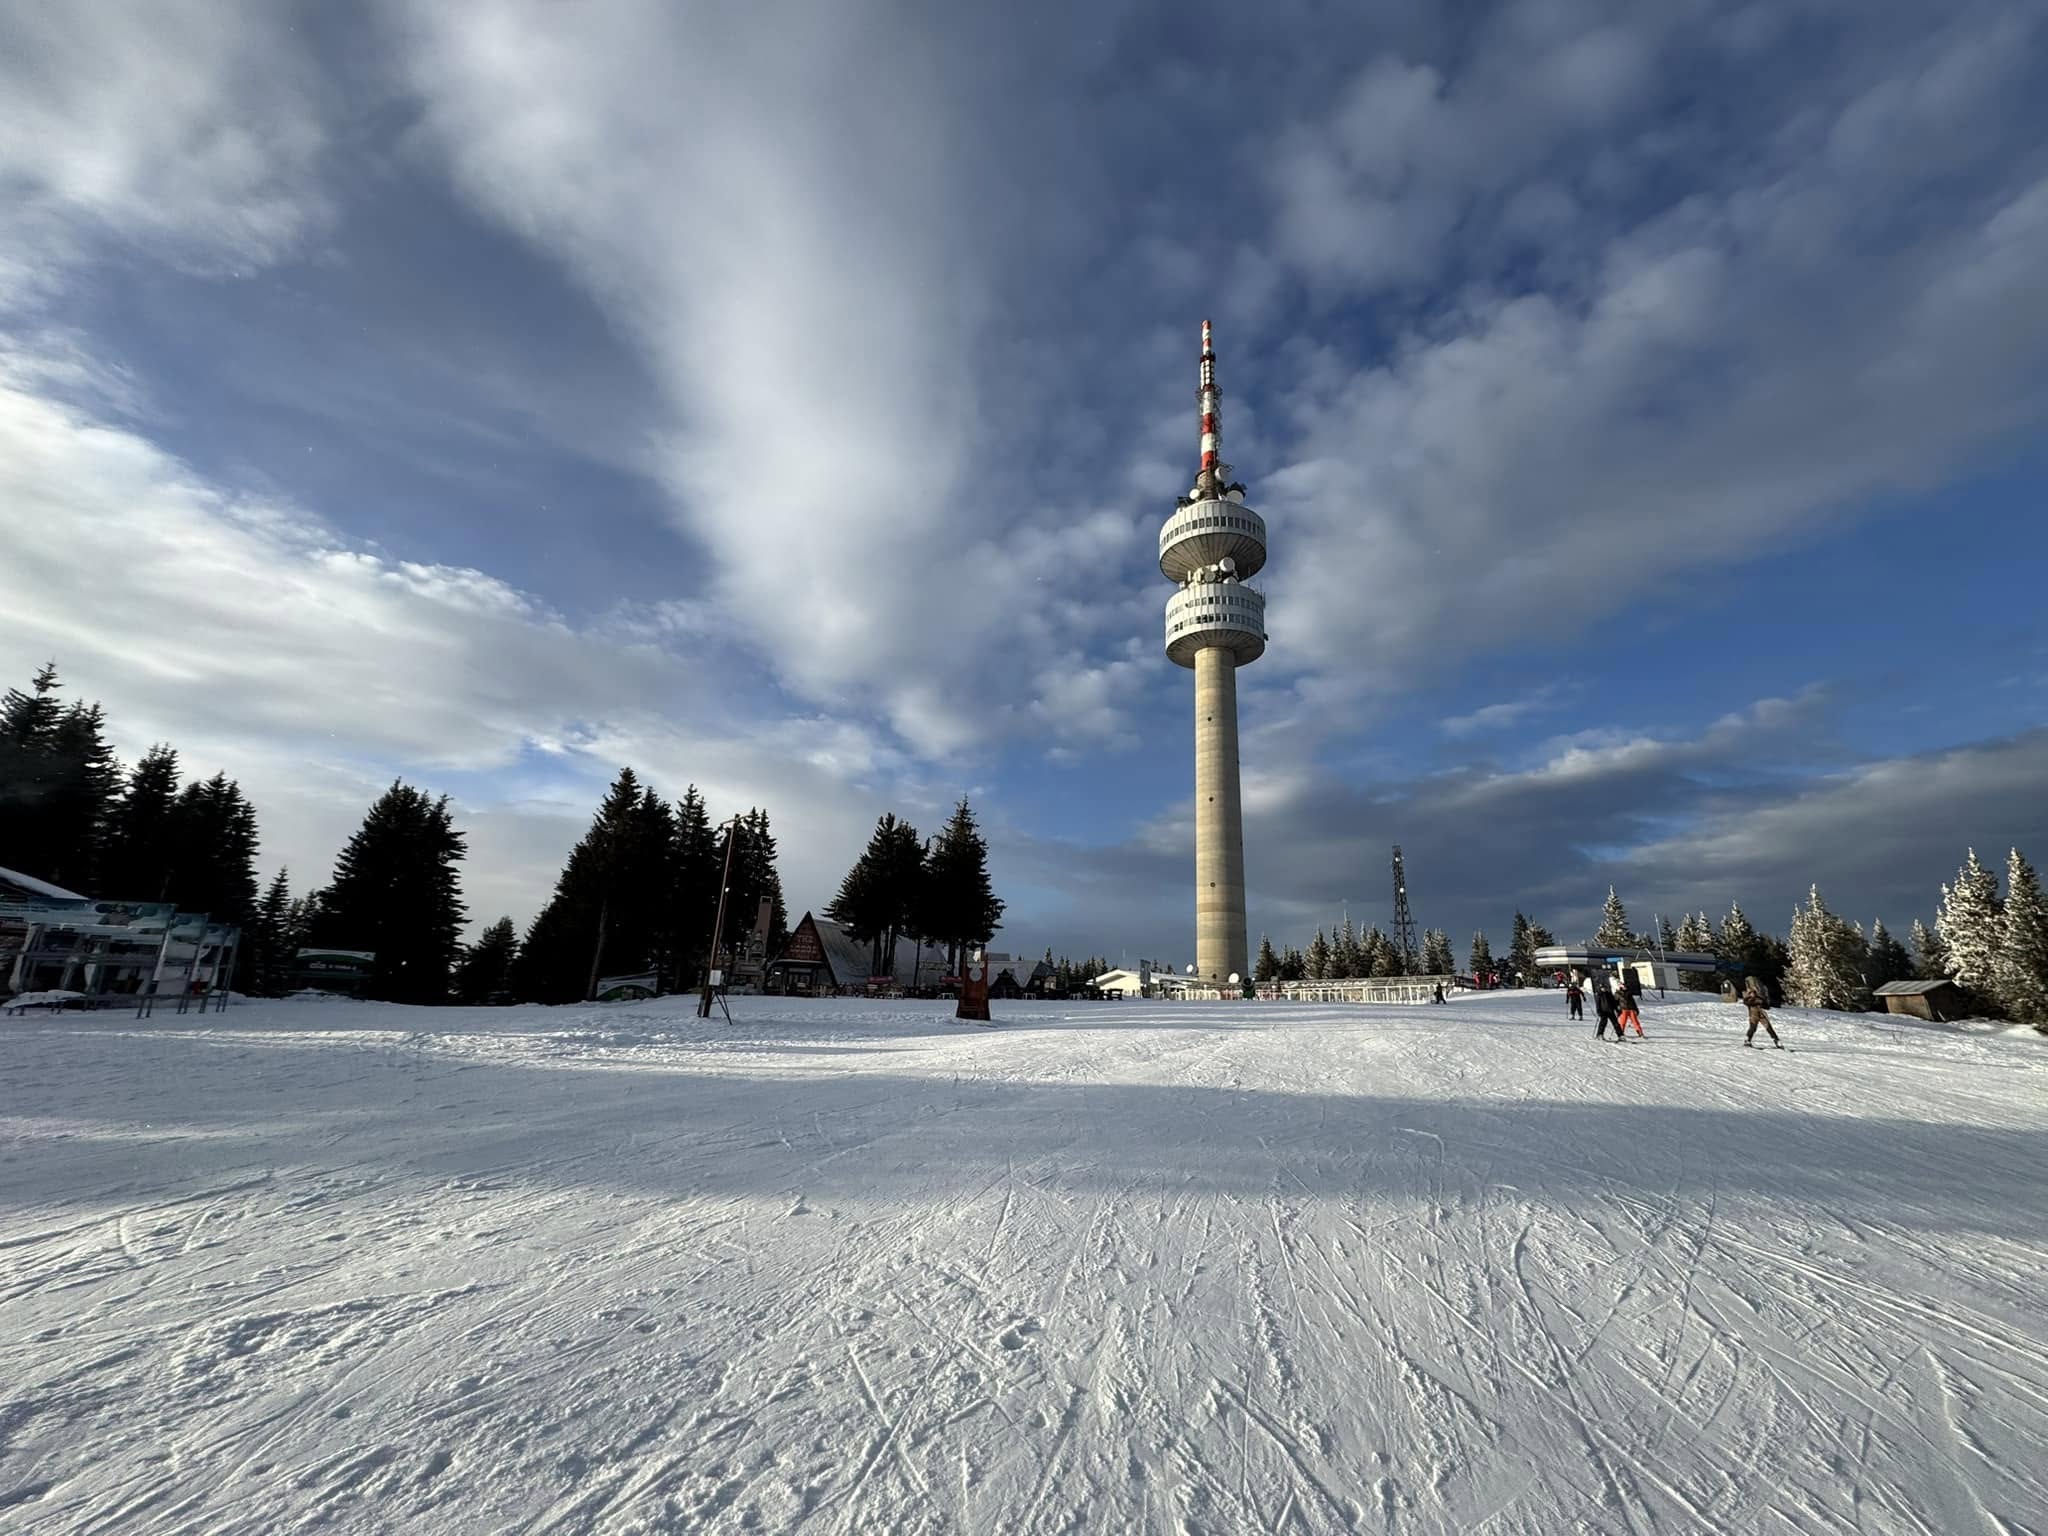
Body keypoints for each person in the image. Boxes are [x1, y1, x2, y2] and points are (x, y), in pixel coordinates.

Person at [1742, 975, 1781, 1048]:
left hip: (1762, 1014)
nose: (1752, 994)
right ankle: (1747, 1040)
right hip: (1754, 1015)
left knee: (1769, 1028)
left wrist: (1764, 1003)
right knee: (1753, 1028)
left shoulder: (1760, 998)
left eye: (1753, 993)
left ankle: (1777, 1041)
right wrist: (1757, 1001)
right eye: (1751, 993)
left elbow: (1766, 1006)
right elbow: (1746, 1002)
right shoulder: (1748, 999)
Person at [1593, 973, 1625, 1042]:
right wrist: (1599, 1011)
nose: (1603, 989)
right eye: (1602, 988)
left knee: (1616, 1023)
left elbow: (1614, 1002)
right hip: (1603, 1011)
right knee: (1603, 1023)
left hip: (1610, 1010)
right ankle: (1600, 1034)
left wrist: (1617, 1009)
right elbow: (1598, 1004)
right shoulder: (1599, 995)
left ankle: (1621, 1035)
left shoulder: (1609, 994)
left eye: (1604, 988)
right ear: (1600, 988)